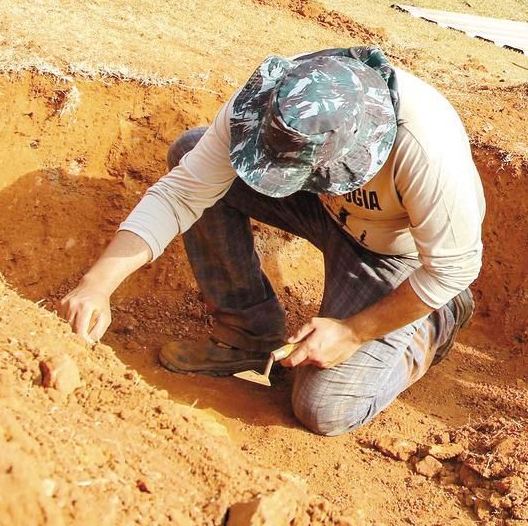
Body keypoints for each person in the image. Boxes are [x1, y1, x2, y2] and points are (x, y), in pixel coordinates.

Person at [59, 46, 485, 436]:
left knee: (324, 409)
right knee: (191, 150)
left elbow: (454, 268)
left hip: (390, 254)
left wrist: (354, 332)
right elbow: (184, 191)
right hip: (321, 210)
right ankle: (247, 333)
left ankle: (433, 322)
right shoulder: (276, 100)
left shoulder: (427, 151)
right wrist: (97, 284)